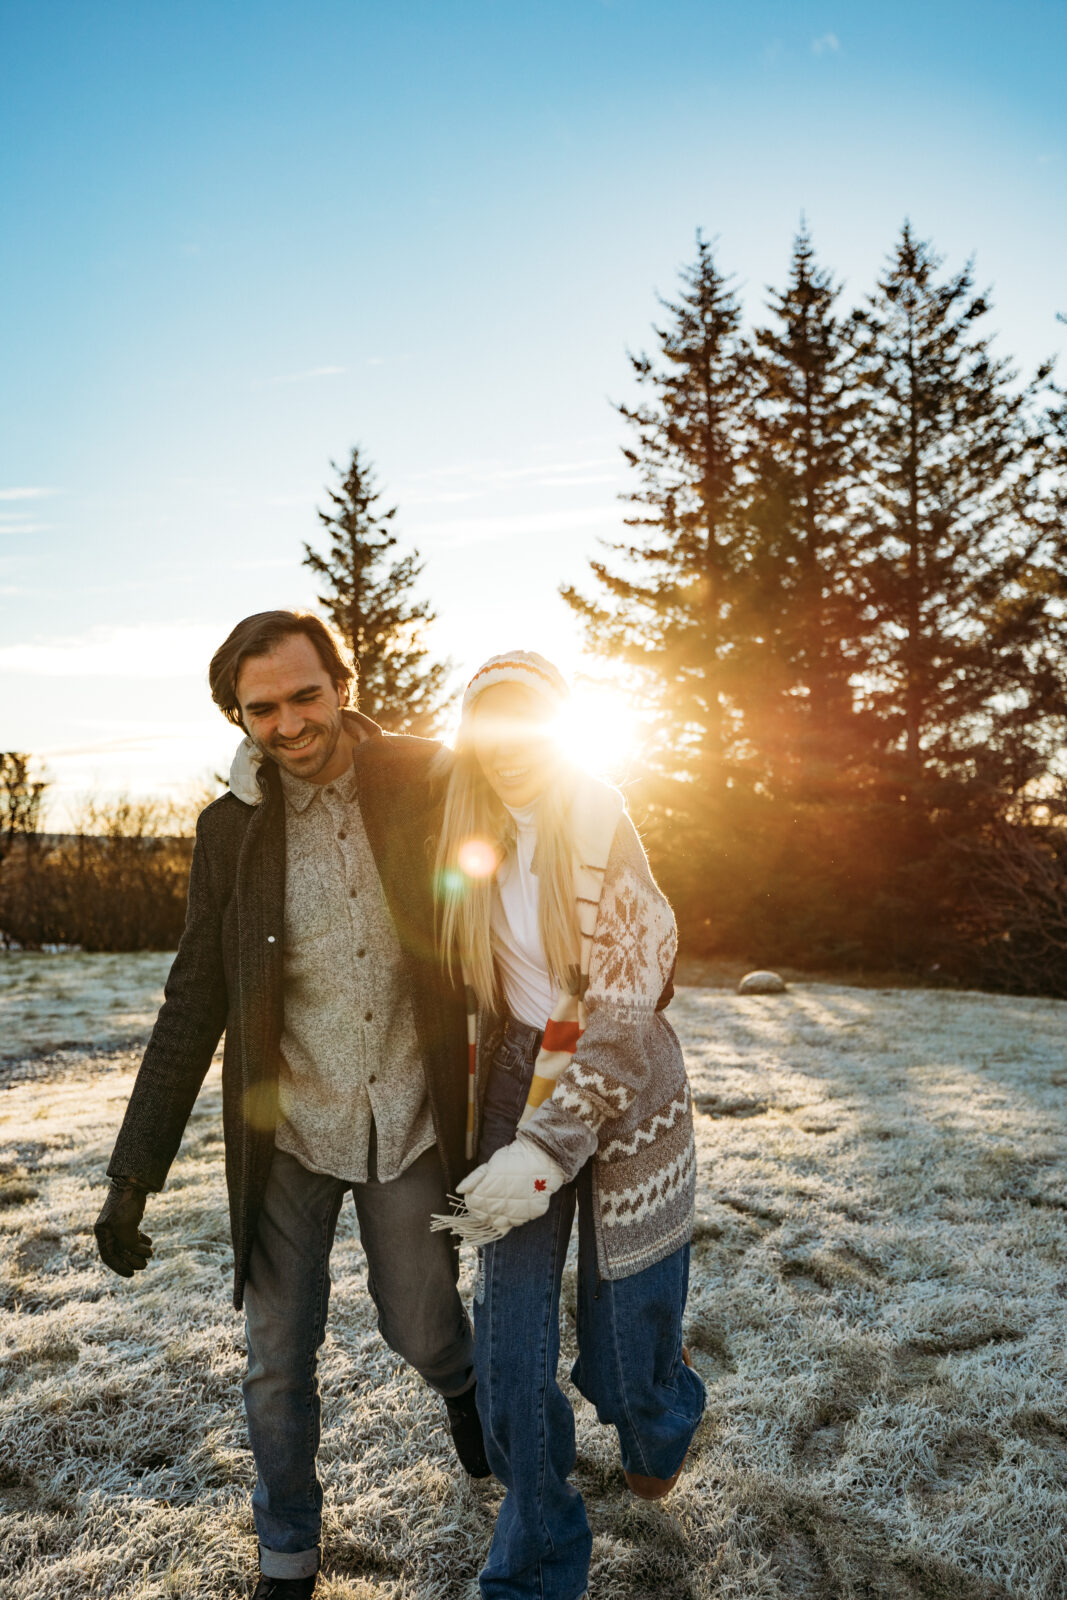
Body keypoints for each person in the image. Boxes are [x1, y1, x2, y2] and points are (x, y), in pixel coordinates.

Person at [93, 610, 487, 1600]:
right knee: (276, 1357)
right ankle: (286, 1557)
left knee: (422, 1326)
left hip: (405, 1119)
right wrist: (131, 1176)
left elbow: (501, 912)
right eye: (261, 708)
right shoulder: (228, 832)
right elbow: (194, 1000)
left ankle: (466, 1391)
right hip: (286, 1138)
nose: (290, 723)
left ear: (340, 685)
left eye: (305, 695)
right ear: (239, 714)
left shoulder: (426, 784)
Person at [433, 651, 706, 1600]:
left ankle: (654, 1413)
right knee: (508, 1354)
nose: (508, 751)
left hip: (620, 1078)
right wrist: (252, 776)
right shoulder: (457, 817)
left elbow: (625, 1019)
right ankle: (537, 1558)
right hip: (518, 1072)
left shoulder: (598, 818)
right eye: (487, 729)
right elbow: (354, 755)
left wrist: (551, 1146)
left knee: (624, 1328)